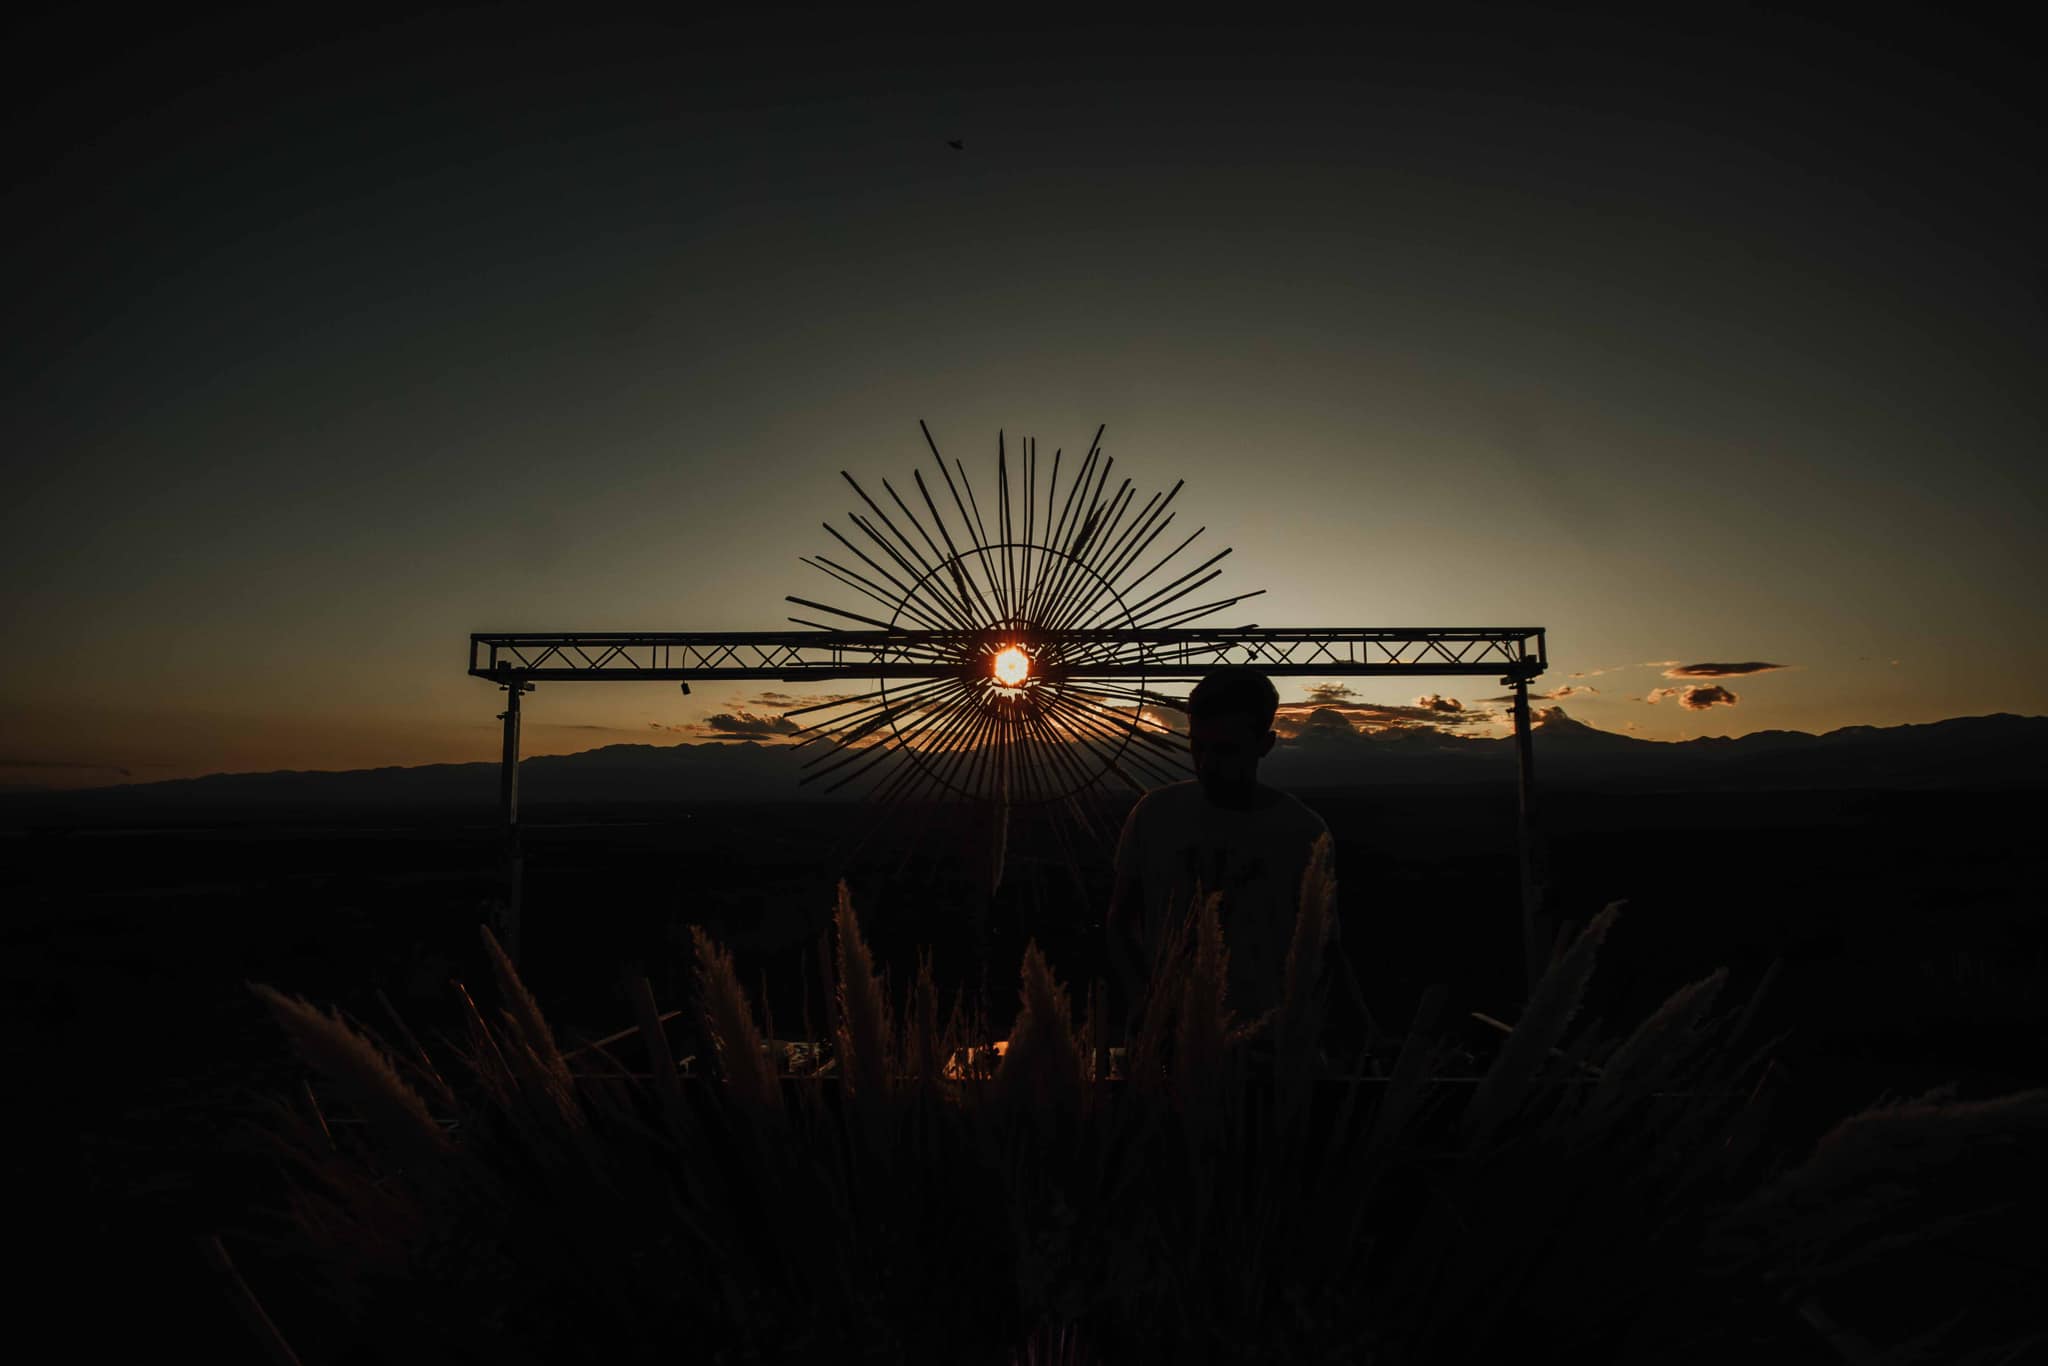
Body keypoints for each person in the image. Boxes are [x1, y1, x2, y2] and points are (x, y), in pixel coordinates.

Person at [1107, 667, 1338, 1042]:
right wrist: (1145, 1003)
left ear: (1266, 744)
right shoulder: (1153, 815)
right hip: (1172, 1039)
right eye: (1199, 746)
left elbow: (1326, 949)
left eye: (1227, 750)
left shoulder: (1304, 832)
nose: (1207, 763)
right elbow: (1120, 923)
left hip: (1267, 1043)